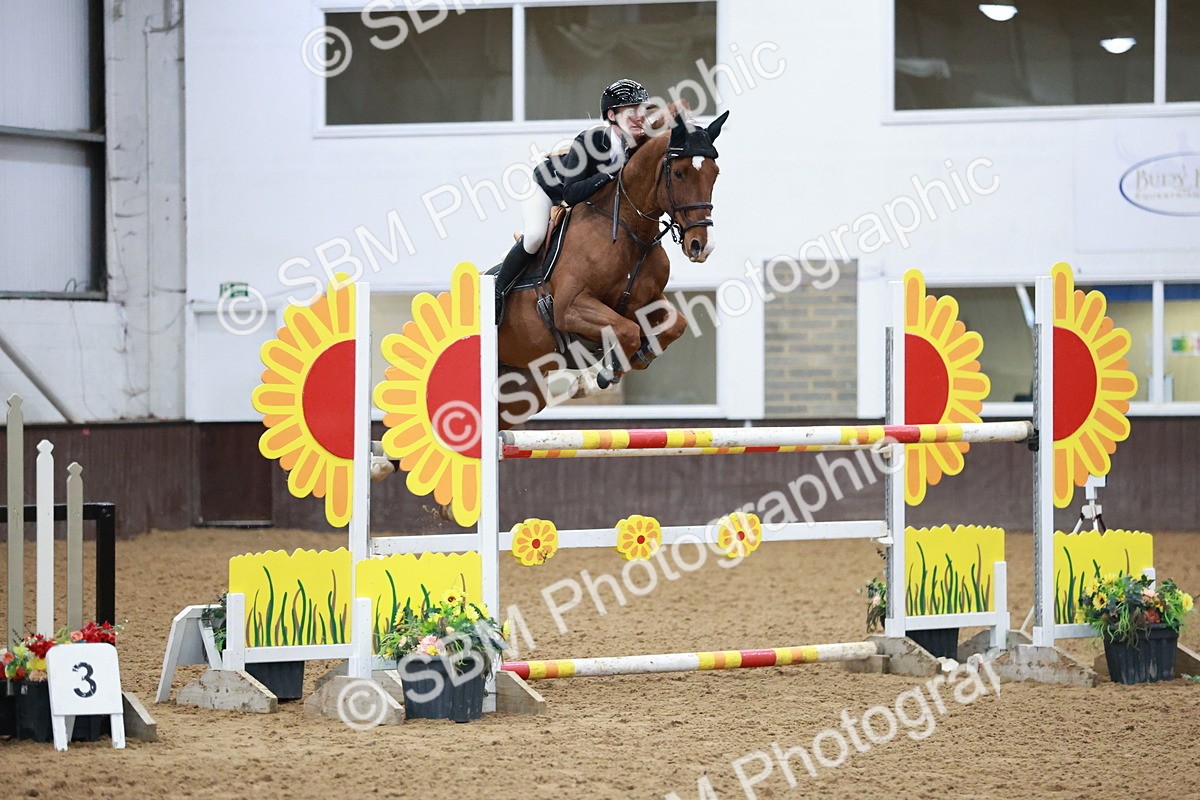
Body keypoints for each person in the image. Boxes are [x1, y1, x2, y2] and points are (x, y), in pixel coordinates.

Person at [493, 78, 651, 318]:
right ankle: (496, 291)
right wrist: (609, 172)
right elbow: (571, 193)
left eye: (642, 109)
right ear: (611, 115)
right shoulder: (590, 141)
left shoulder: (639, 145)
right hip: (547, 190)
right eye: (632, 110)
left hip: (585, 201)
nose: (640, 116)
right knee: (535, 237)